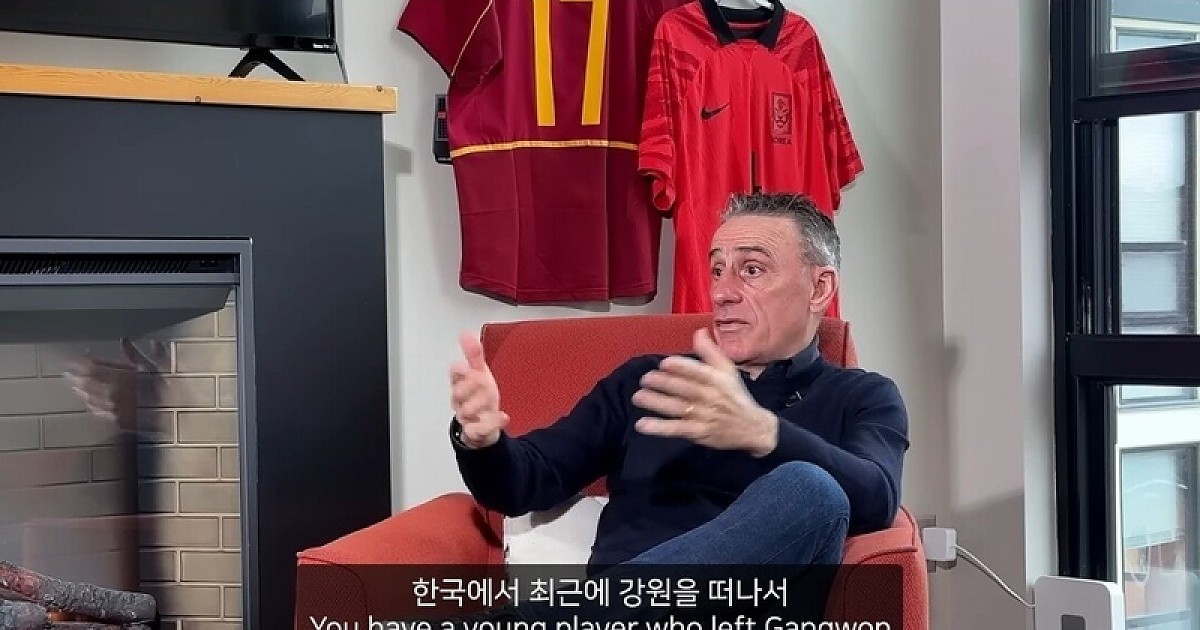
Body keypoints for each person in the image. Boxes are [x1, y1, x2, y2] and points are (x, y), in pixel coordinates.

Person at [446, 192, 909, 624]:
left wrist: (766, 435)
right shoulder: (653, 380)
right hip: (622, 613)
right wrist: (483, 441)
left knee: (814, 491)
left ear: (819, 288)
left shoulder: (862, 396)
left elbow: (877, 500)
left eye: (751, 270)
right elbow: (528, 481)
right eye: (717, 270)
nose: (723, 292)